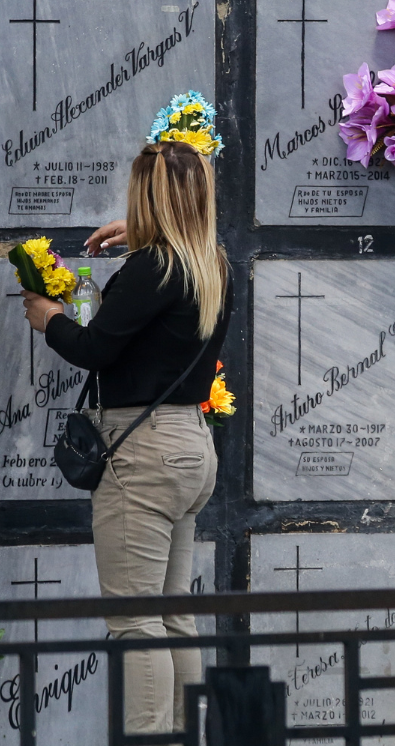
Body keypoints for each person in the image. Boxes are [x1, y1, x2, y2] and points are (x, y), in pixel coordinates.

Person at [21, 141, 233, 734]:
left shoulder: (152, 269)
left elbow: (95, 349)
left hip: (141, 453)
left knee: (134, 620)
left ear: (147, 198)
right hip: (190, 445)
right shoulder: (211, 263)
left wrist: (49, 319)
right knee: (171, 615)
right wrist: (144, 238)